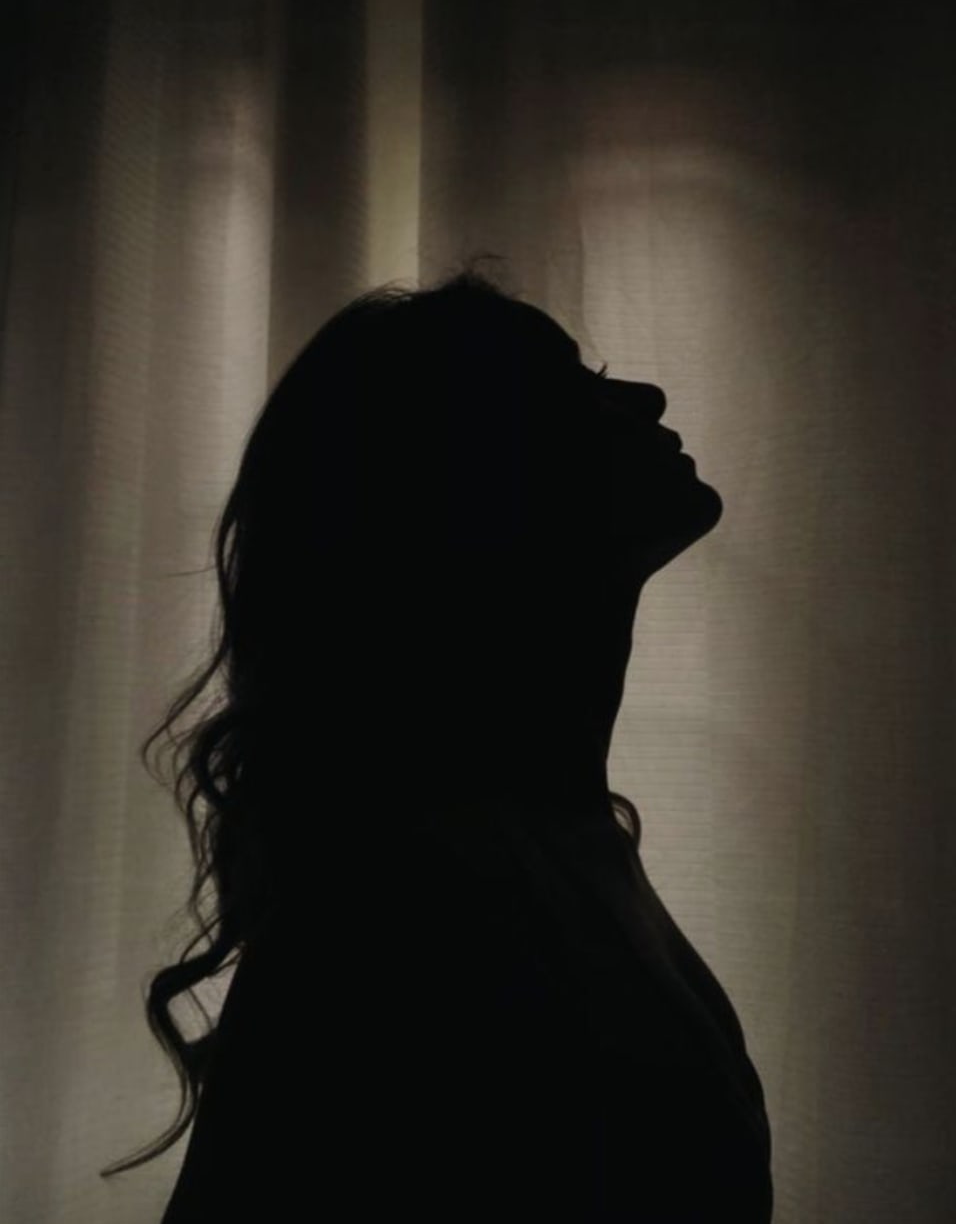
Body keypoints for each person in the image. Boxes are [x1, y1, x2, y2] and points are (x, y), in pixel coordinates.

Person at [102, 267, 772, 1220]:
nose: (646, 396)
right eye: (570, 389)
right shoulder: (399, 905)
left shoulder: (558, 837)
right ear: (468, 487)